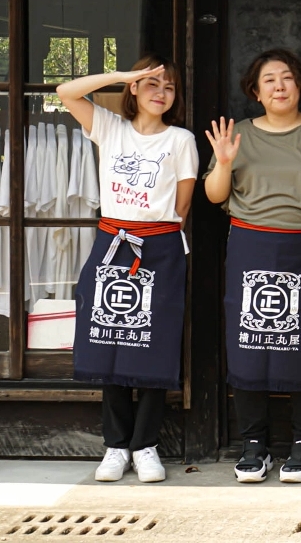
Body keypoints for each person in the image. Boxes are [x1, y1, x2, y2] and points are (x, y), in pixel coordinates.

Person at [205, 48, 301, 484]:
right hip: (250, 245)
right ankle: (254, 443)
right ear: (255, 91)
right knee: (250, 341)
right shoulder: (237, 134)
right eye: (269, 80)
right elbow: (216, 196)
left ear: (300, 85)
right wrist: (226, 162)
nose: (279, 86)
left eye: (287, 78)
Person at [64, 56, 198, 483]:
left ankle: (146, 446)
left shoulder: (181, 140)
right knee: (110, 339)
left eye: (169, 87)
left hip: (159, 245)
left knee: (153, 344)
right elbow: (65, 93)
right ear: (135, 90)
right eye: (151, 83)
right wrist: (122, 75)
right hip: (112, 243)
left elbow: (182, 205)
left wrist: (153, 233)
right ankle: (115, 446)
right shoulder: (110, 128)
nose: (160, 92)